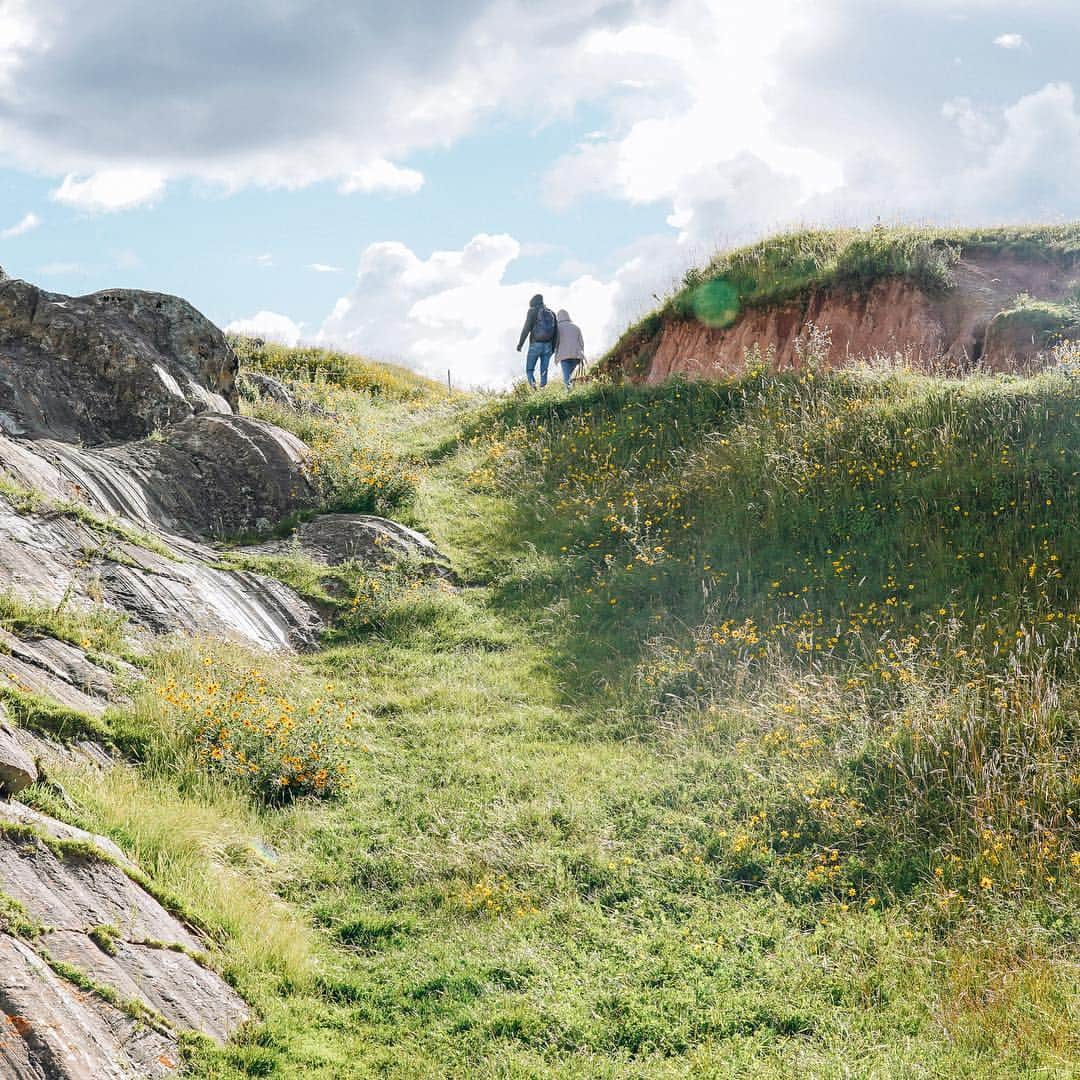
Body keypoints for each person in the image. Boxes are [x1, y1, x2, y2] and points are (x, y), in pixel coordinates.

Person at [516, 294, 558, 388]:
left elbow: (526, 328)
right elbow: (556, 331)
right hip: (548, 345)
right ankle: (542, 389)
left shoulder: (532, 311)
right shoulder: (551, 312)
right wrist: (553, 347)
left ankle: (534, 388)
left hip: (535, 344)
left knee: (529, 370)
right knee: (544, 370)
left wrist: (520, 344)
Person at [552, 309, 585, 389]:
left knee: (567, 377)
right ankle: (574, 391)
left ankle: (569, 394)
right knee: (572, 375)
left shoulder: (557, 328)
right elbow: (581, 343)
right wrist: (581, 354)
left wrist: (555, 354)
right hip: (576, 355)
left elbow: (555, 344)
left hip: (564, 357)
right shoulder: (576, 327)